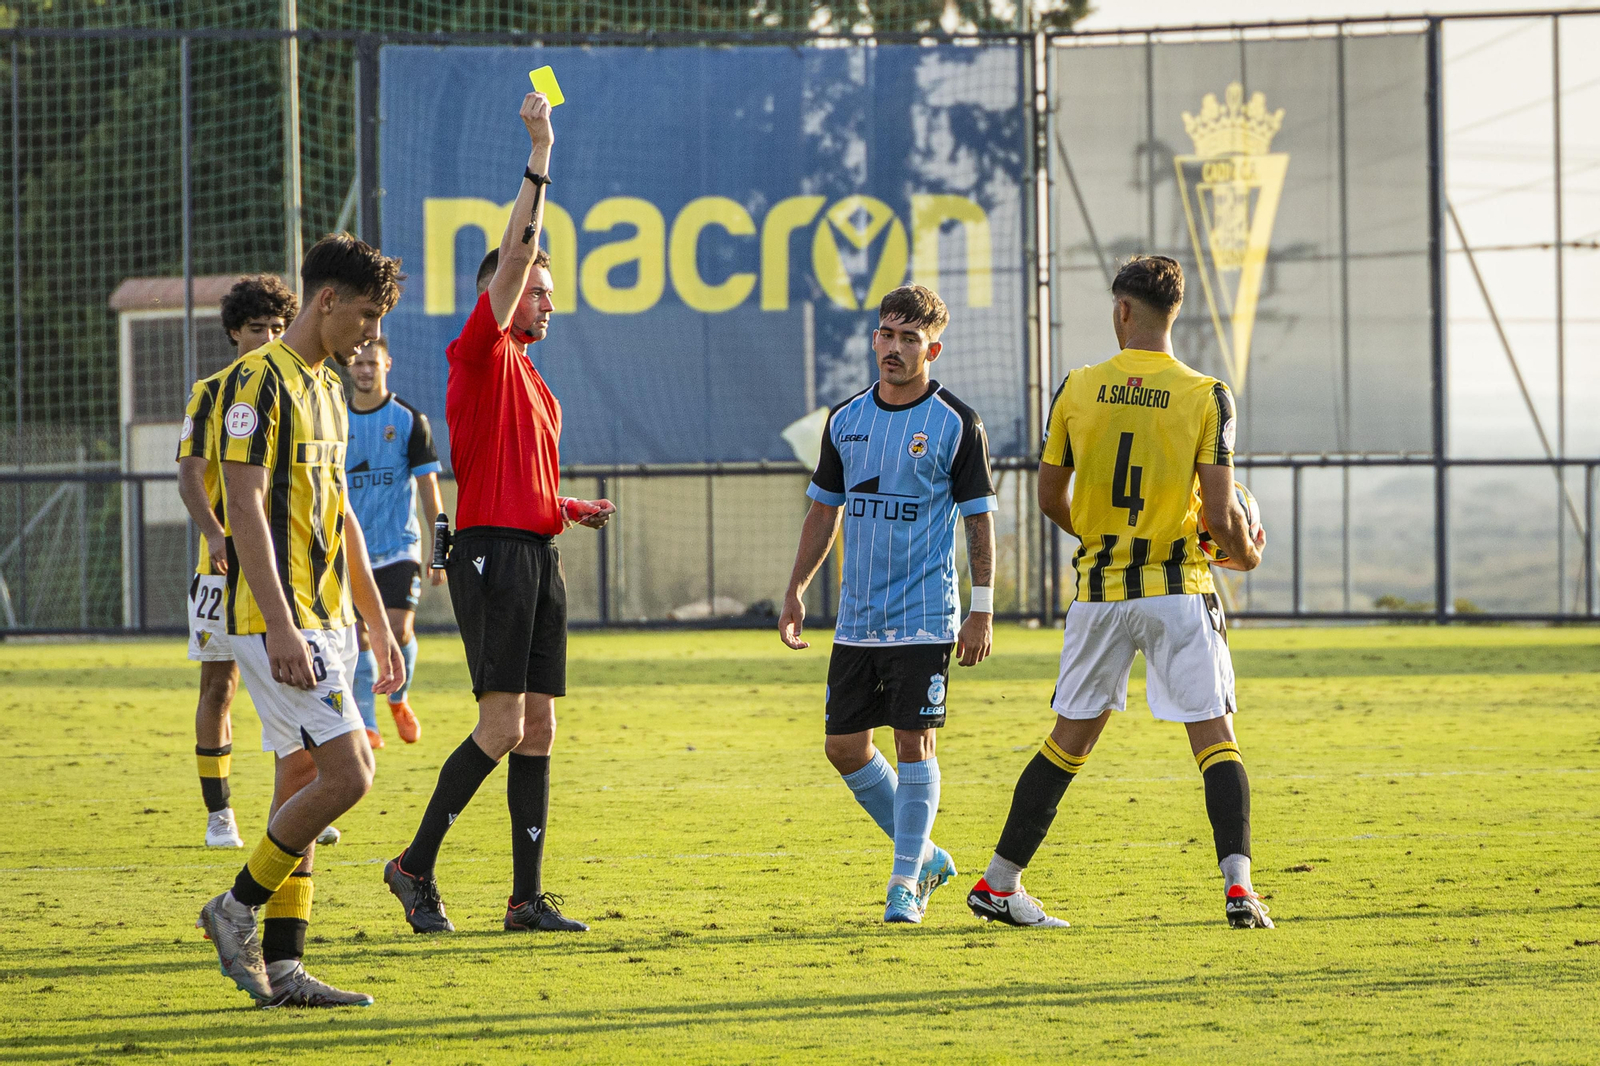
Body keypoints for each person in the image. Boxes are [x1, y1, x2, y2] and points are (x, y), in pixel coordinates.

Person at [965, 255, 1271, 931]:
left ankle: (998, 882)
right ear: (1174, 314)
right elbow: (1220, 518)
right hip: (1178, 591)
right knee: (1215, 737)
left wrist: (1107, 538)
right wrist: (1243, 554)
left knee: (1068, 741)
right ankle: (1239, 889)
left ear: (1122, 311)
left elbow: (1050, 495)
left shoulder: (1077, 387)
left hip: (1099, 594)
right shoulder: (1208, 395)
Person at [383, 89, 613, 936]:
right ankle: (411, 867)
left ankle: (524, 900)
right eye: (538, 288)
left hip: (536, 552)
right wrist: (540, 152)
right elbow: (517, 252)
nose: (549, 300)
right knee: (502, 724)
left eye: (549, 290)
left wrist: (569, 506)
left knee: (540, 725)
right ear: (502, 294)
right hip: (490, 556)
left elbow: (516, 475)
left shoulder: (537, 384)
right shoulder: (479, 352)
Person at [196, 233, 408, 1007]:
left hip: (328, 617)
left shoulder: (327, 385)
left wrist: (377, 624)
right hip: (274, 618)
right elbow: (244, 503)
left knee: (302, 775)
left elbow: (340, 513)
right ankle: (234, 909)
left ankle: (284, 969)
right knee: (352, 772)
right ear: (326, 302)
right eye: (363, 317)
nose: (369, 337)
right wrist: (281, 626)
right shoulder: (258, 381)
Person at [779, 284, 998, 925]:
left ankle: (904, 884)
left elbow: (981, 524)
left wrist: (980, 610)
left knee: (913, 742)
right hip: (857, 618)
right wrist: (794, 590)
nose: (894, 349)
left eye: (909, 338)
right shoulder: (845, 420)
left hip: (926, 614)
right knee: (843, 747)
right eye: (886, 334)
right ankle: (926, 854)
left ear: (933, 347)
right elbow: (825, 510)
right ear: (875, 337)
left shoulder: (957, 423)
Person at [177, 275, 297, 849]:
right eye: (257, 329)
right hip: (221, 571)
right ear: (233, 332)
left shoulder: (299, 388)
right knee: (219, 688)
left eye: (278, 328)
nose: (270, 338)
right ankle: (219, 813)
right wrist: (216, 534)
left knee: (296, 682)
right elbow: (189, 476)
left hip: (288, 567)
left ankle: (301, 803)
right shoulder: (212, 392)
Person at [345, 334, 445, 748]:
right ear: (349, 368)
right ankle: (368, 723)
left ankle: (399, 699)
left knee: (399, 630)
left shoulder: (409, 420)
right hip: (352, 550)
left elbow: (429, 491)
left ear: (388, 365)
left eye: (374, 363)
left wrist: (439, 553)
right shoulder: (335, 420)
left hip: (399, 546)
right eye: (359, 363)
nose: (366, 370)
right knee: (360, 636)